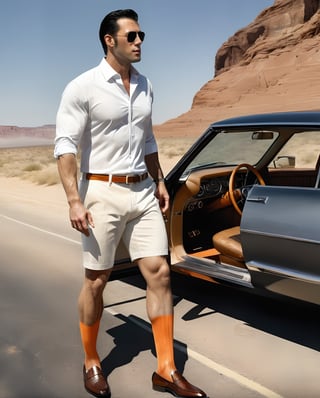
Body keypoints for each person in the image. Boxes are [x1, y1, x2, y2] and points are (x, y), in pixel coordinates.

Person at [54, 9, 207, 398]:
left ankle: (166, 369)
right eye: (133, 35)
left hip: (141, 190)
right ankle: (91, 360)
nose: (140, 42)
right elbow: (65, 146)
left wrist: (159, 181)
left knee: (159, 272)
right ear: (110, 40)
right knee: (97, 279)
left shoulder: (145, 85)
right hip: (100, 193)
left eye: (142, 36)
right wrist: (74, 200)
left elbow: (148, 140)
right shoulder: (82, 87)